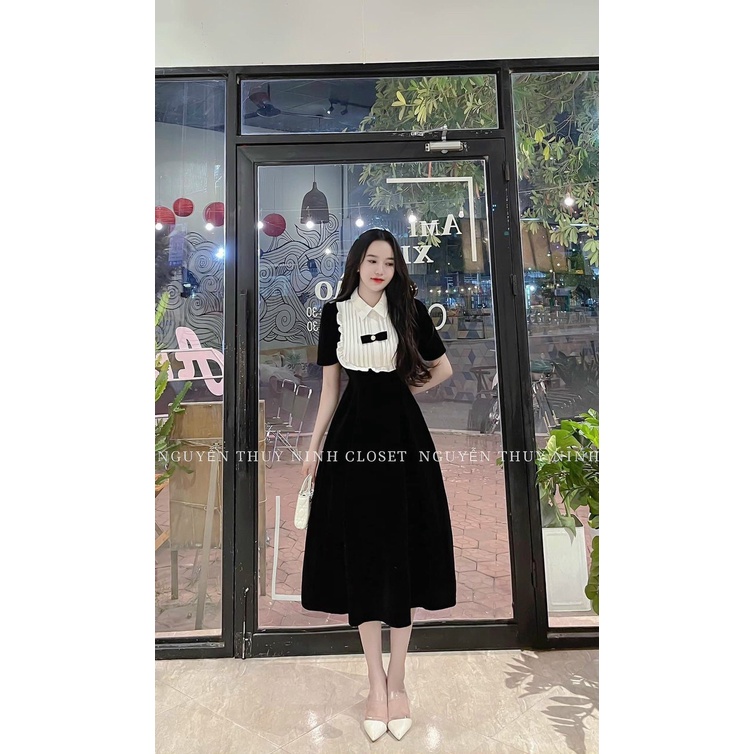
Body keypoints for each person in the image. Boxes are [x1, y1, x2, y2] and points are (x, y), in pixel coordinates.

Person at [300, 228, 456, 742]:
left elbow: (443, 368)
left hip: (404, 442)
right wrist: (313, 447)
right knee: (363, 557)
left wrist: (402, 390)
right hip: (351, 443)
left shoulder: (409, 311)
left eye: (389, 263)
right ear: (357, 263)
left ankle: (399, 680)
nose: (380, 270)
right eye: (372, 260)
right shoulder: (334, 315)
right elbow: (329, 390)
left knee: (404, 552)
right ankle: (374, 683)